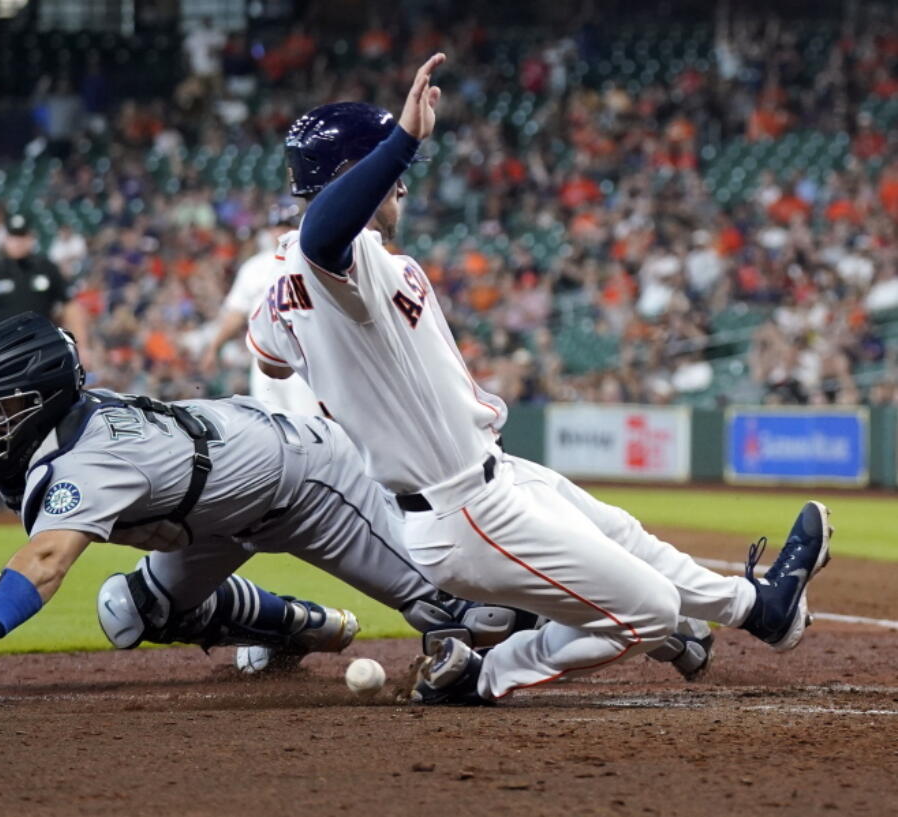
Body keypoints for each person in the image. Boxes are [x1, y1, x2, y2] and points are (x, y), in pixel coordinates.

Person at [246, 54, 832, 705]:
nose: (403, 184)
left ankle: (763, 607)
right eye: (388, 168)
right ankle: (481, 675)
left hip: (491, 473)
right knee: (654, 612)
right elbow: (322, 235)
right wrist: (404, 140)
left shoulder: (282, 284)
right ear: (352, 179)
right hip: (460, 508)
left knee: (626, 536)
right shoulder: (333, 258)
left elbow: (270, 354)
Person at [0, 313, 544, 706]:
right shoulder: (14, 440)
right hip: (214, 512)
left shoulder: (90, 452)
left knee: (463, 616)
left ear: (37, 403)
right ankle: (299, 625)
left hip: (302, 481)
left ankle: (596, 604)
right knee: (131, 610)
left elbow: (43, 559)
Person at [201, 203, 320, 414]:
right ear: (269, 230)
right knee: (270, 427)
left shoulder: (313, 263)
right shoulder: (254, 267)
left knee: (309, 424)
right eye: (279, 226)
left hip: (304, 358)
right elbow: (236, 313)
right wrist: (215, 346)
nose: (283, 231)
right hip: (263, 359)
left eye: (289, 225)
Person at [0, 214, 87, 354]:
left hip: (44, 346)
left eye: (22, 236)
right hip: (5, 349)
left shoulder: (47, 268)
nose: (17, 242)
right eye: (13, 237)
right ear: (6, 239)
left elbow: (69, 306)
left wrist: (82, 346)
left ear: (31, 238)